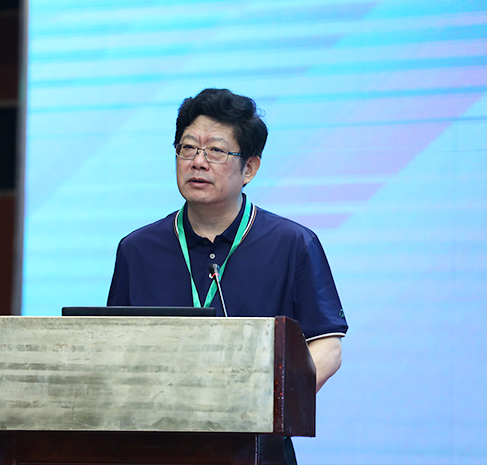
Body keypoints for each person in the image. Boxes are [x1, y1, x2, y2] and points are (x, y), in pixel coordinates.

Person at [107, 88, 348, 463]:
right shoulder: (137, 249)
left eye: (216, 151)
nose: (198, 162)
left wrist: (269, 406)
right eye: (188, 148)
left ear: (249, 168)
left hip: (255, 448)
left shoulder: (292, 244)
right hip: (157, 448)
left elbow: (327, 347)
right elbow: (111, 347)